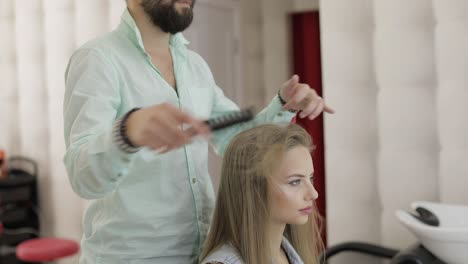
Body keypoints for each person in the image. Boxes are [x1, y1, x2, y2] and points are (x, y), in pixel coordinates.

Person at [63, 0, 333, 263]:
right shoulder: (97, 60)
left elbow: (239, 142)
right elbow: (83, 176)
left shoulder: (194, 66)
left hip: (202, 250)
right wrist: (127, 132)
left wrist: (284, 105)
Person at [200, 124, 324, 264]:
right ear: (253, 189)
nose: (314, 194)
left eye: (311, 178)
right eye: (295, 182)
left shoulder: (289, 252)